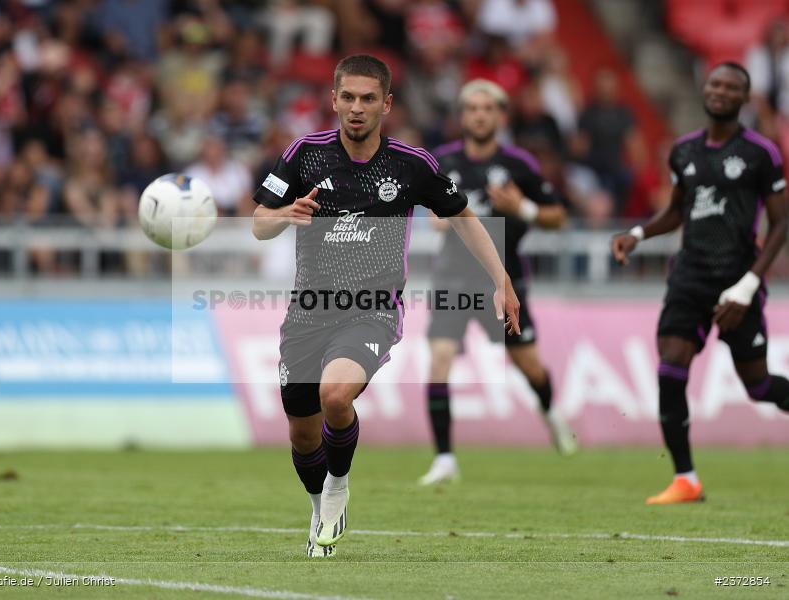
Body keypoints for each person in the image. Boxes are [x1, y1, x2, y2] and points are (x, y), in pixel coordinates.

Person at [251, 55, 520, 557]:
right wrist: (287, 212)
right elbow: (258, 222)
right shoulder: (303, 154)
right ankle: (319, 505)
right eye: (348, 97)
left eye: (368, 98)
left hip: (372, 307)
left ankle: (338, 486)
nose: (357, 108)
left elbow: (463, 218)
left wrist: (501, 279)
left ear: (386, 104)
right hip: (308, 310)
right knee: (303, 433)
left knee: (336, 396)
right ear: (333, 100)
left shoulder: (411, 165)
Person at [611, 63, 789, 505]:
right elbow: (677, 211)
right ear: (704, 90)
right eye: (715, 84)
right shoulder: (684, 151)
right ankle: (686, 479)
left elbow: (782, 221)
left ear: (745, 98)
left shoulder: (761, 154)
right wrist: (638, 234)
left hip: (737, 281)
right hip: (689, 277)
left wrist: (749, 284)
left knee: (759, 386)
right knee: (671, 369)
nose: (721, 92)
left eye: (732, 87)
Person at [418, 79, 575, 487]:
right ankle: (445, 458)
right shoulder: (442, 162)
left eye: (488, 108)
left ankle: (548, 409)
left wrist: (521, 206)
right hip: (453, 277)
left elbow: (558, 216)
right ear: (462, 115)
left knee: (529, 365)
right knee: (438, 361)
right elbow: (430, 212)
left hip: (504, 280)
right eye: (472, 108)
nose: (480, 115)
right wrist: (435, 218)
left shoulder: (519, 165)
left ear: (500, 116)